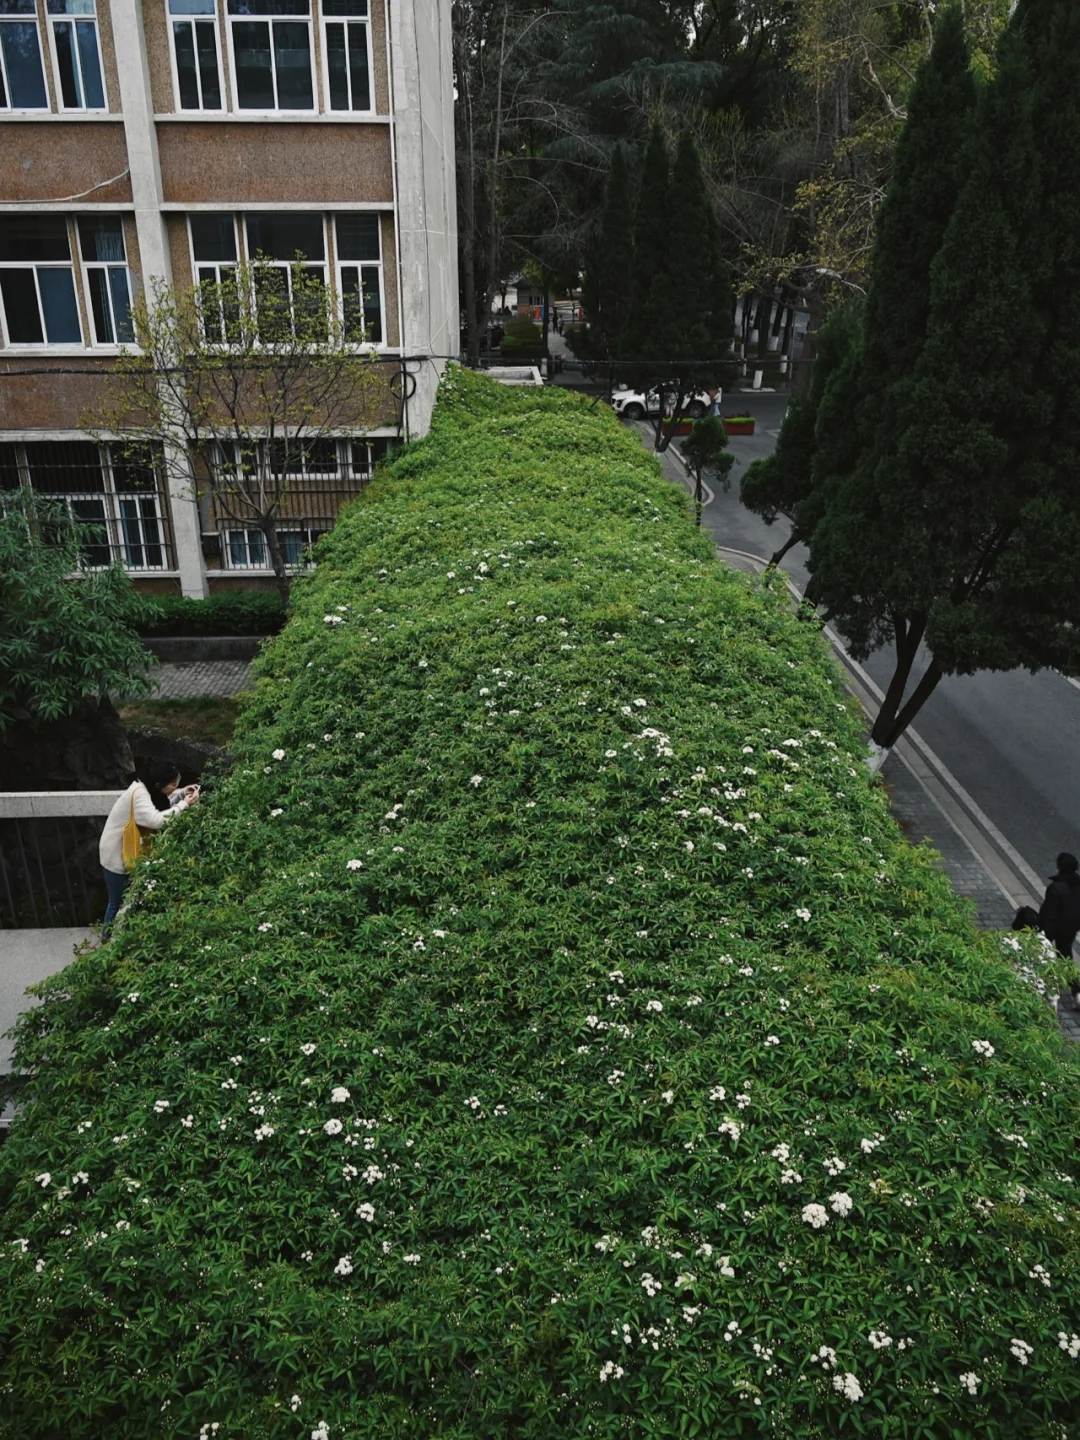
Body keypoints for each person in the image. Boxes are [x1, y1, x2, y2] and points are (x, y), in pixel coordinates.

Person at [99, 760, 199, 929]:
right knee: (116, 903)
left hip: (126, 851)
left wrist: (182, 794)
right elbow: (157, 820)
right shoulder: (139, 795)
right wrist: (184, 804)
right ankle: (107, 942)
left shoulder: (147, 788)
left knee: (125, 901)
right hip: (116, 856)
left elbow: (164, 799)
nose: (176, 787)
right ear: (159, 784)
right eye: (174, 784)